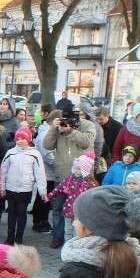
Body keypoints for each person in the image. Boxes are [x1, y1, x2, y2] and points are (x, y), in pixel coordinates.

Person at [43, 106, 96, 249]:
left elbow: (87, 141)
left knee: (80, 209)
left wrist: (71, 131)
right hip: (62, 174)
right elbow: (47, 145)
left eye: (71, 119)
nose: (67, 122)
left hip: (83, 177)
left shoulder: (88, 125)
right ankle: (57, 237)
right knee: (58, 208)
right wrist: (54, 129)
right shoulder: (59, 125)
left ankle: (78, 238)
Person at [0, 127, 47, 245]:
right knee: (11, 212)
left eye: (23, 139)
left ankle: (19, 237)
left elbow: (40, 173)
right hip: (11, 188)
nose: (20, 141)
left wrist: (42, 190)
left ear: (28, 139)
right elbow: (3, 170)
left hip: (25, 189)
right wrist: (2, 187)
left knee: (21, 212)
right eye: (18, 139)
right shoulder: (10, 153)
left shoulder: (35, 154)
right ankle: (10, 236)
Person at [46, 153, 97, 243]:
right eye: (75, 168)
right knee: (68, 231)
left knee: (77, 233)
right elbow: (59, 188)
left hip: (80, 213)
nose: (76, 171)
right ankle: (67, 247)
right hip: (68, 210)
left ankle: (74, 248)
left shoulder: (89, 184)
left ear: (85, 170)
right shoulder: (69, 180)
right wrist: (49, 196)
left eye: (79, 169)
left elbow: (93, 198)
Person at [95, 107, 123, 171]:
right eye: (97, 119)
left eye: (101, 119)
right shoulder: (96, 126)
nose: (98, 121)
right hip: (99, 154)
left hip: (111, 157)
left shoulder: (117, 126)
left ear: (107, 116)